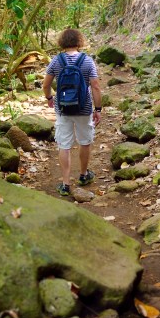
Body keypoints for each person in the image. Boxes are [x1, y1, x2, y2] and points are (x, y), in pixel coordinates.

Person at [42, 28, 103, 197]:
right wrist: (98, 109)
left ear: (62, 42)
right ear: (79, 41)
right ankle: (83, 175)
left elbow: (46, 85)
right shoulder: (87, 61)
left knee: (64, 145)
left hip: (63, 108)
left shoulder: (56, 61)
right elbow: (96, 86)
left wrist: (49, 98)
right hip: (83, 108)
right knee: (84, 141)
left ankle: (66, 184)